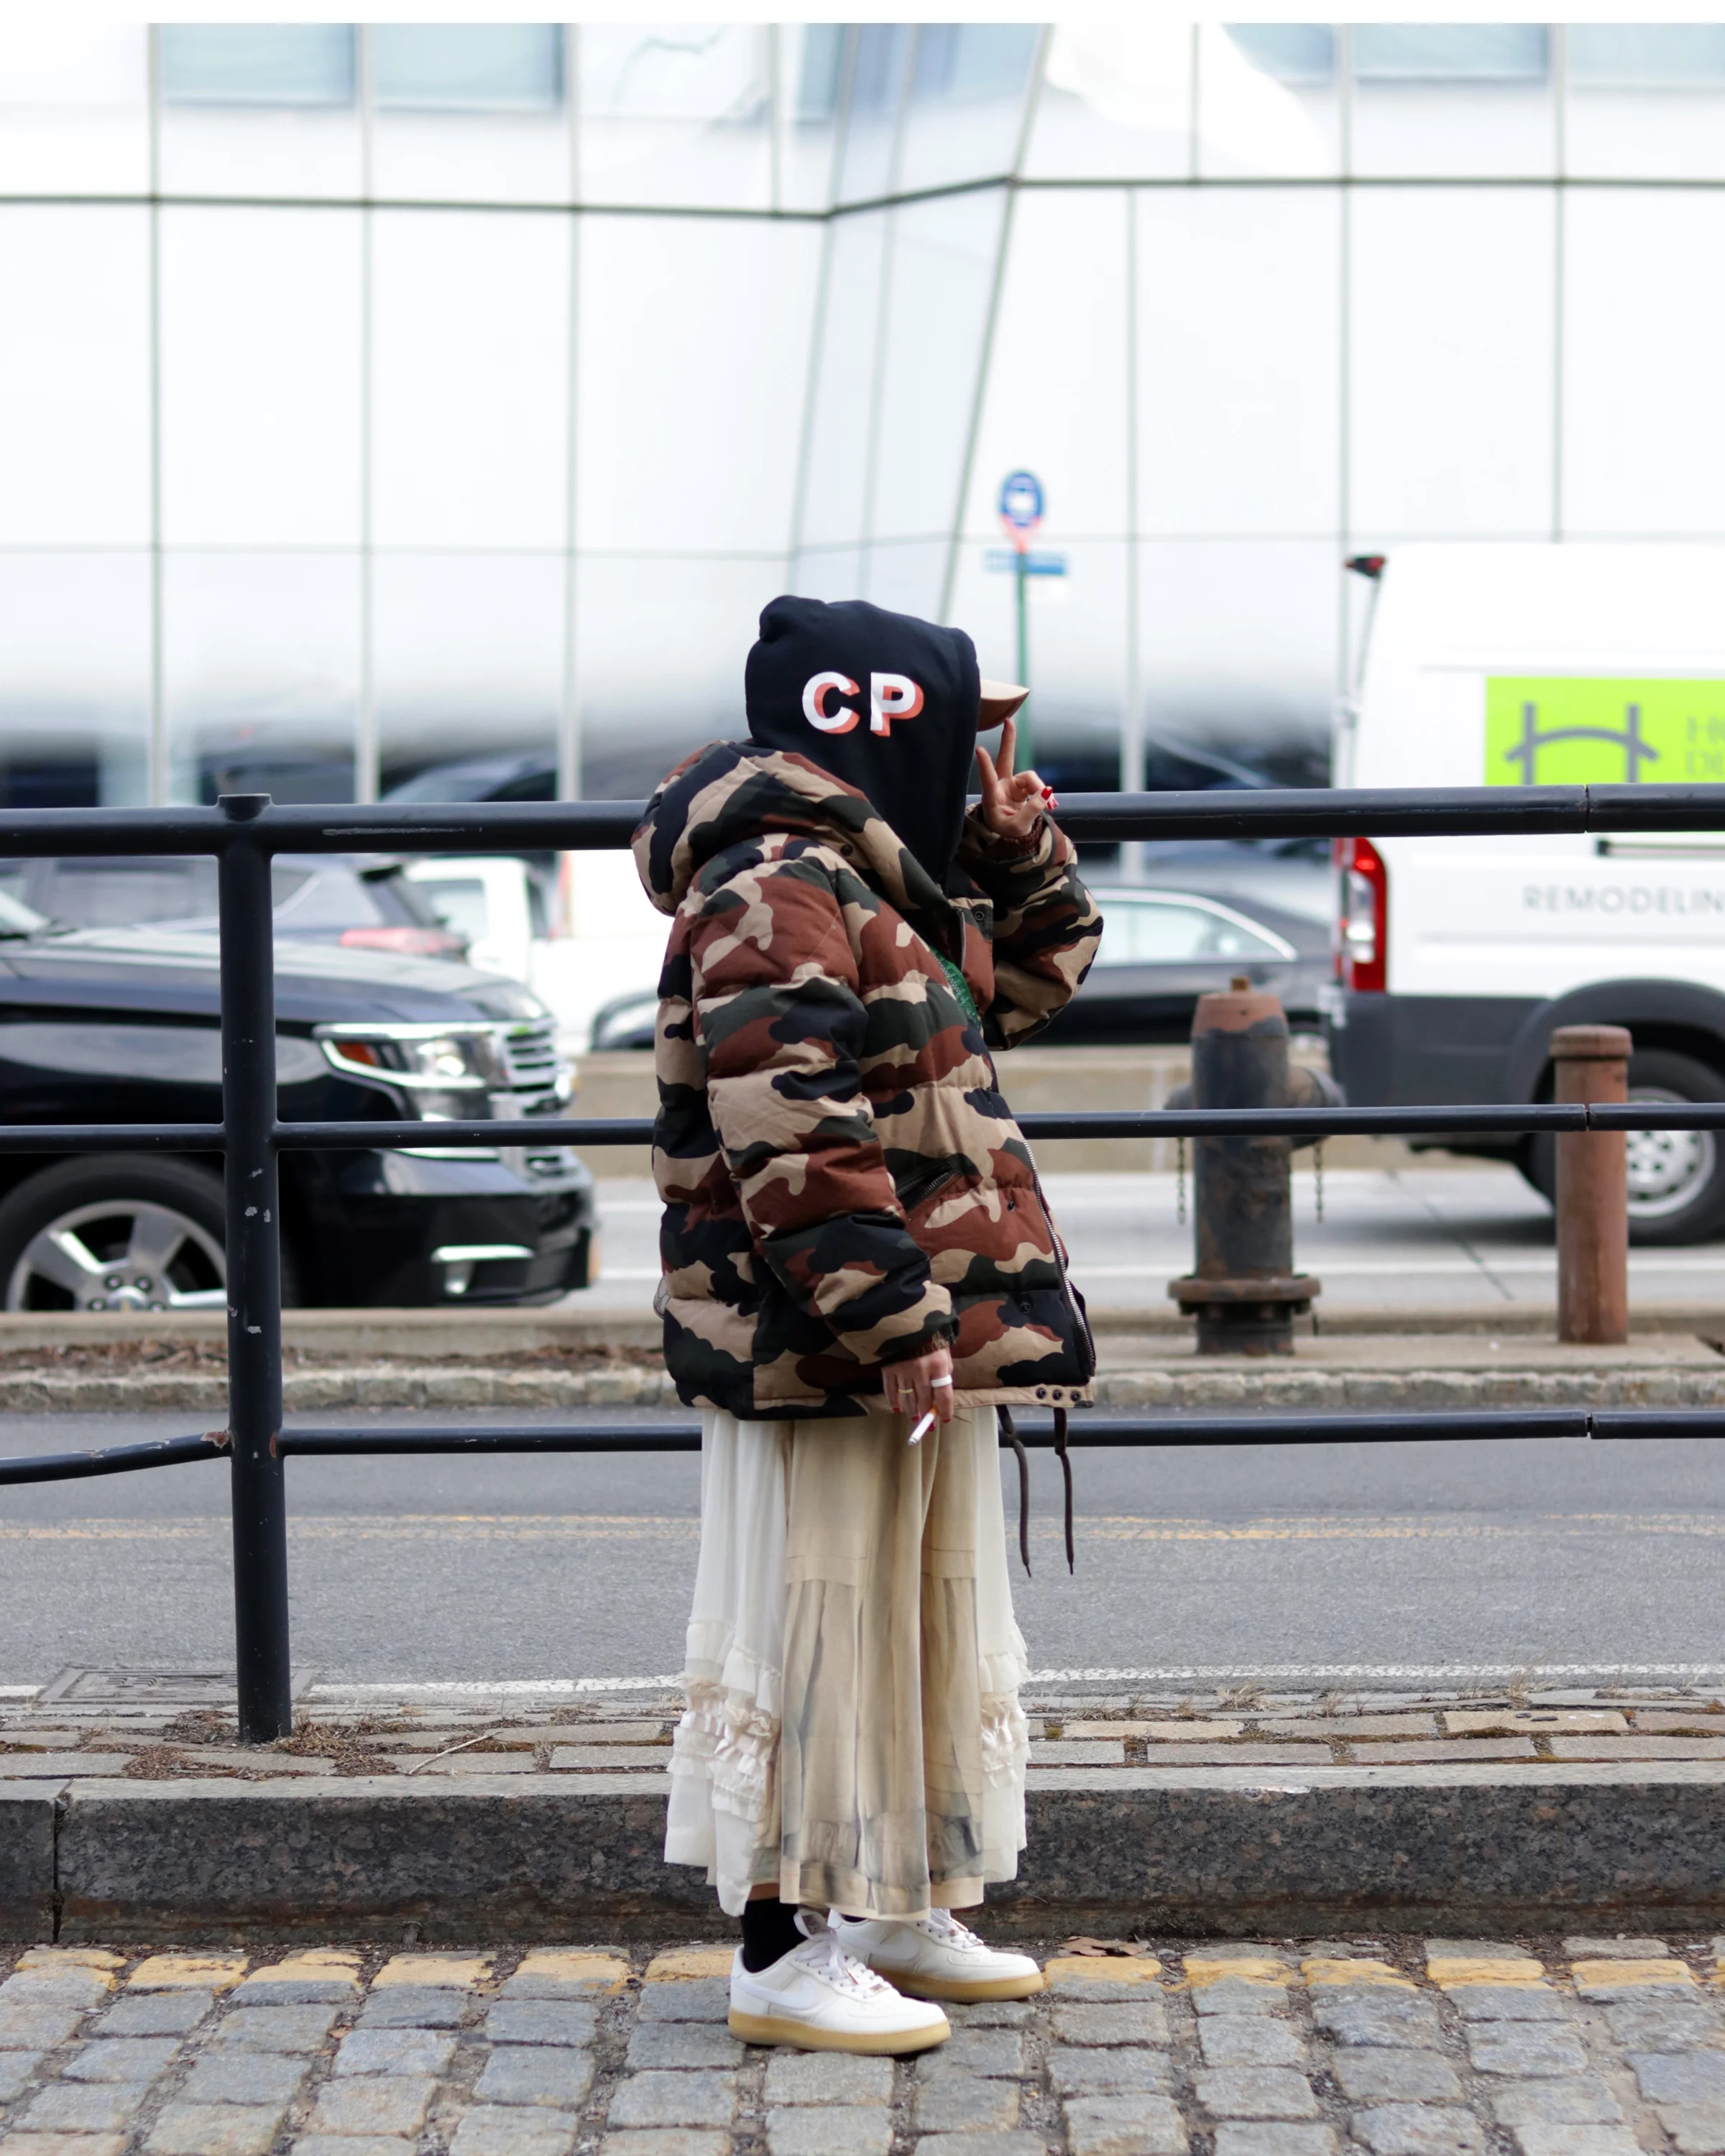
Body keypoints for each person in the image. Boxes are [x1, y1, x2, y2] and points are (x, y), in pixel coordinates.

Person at [632, 594, 1103, 2055]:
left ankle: (892, 1897)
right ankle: (779, 1946)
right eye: (972, 732)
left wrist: (1016, 844)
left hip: (893, 1314)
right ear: (889, 721)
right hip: (827, 1326)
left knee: (907, 1610)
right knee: (817, 1615)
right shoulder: (780, 883)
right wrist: (893, 1312)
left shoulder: (866, 875)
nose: (984, 758)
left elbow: (1028, 982)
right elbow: (794, 1117)